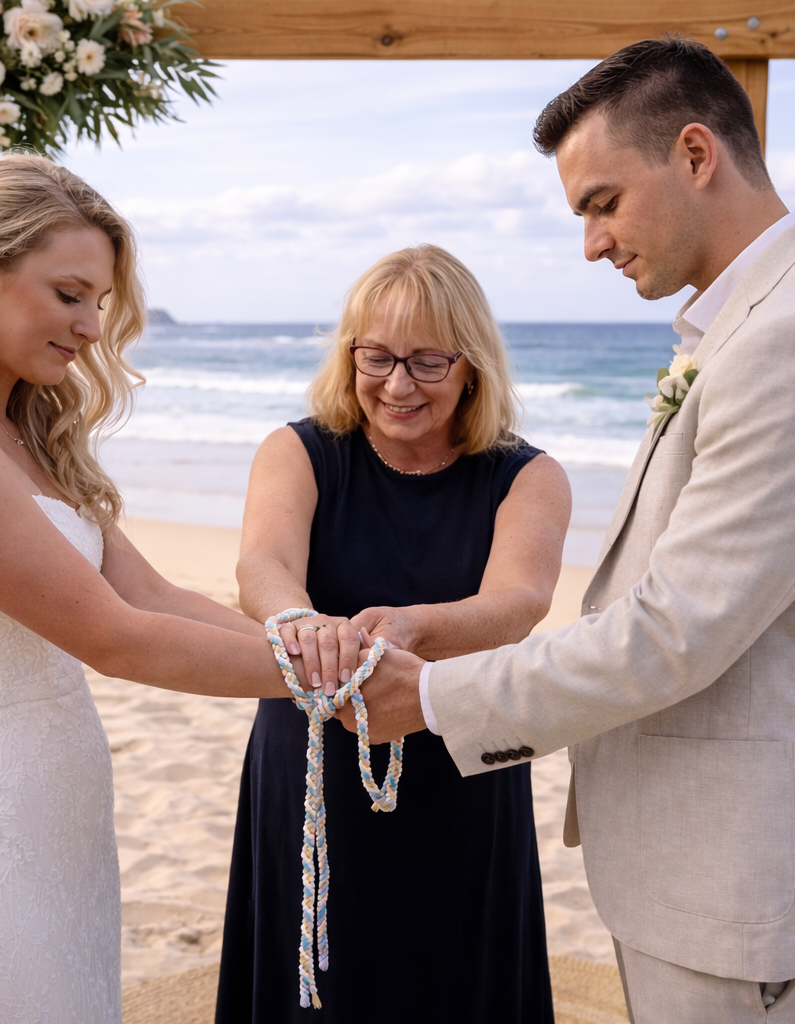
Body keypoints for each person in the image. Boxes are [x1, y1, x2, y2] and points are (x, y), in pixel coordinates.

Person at [353, 38, 795, 1023]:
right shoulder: (771, 320)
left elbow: (676, 629)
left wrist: (439, 697)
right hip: (716, 872)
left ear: (696, 154)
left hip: (747, 882)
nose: (592, 243)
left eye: (602, 202)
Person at [0, 154, 293, 1022]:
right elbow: (115, 637)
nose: (90, 327)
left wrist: (321, 643)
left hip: (57, 821)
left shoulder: (23, 434)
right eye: (69, 293)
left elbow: (154, 597)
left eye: (99, 303)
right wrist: (332, 688)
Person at [214, 245, 572, 1024]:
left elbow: (521, 599)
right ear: (349, 355)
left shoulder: (527, 475)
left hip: (462, 767)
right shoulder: (300, 450)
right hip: (314, 767)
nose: (397, 384)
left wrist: (413, 626)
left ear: (472, 365)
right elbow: (263, 565)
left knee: (455, 975)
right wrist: (304, 626)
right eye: (376, 357)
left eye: (426, 362)